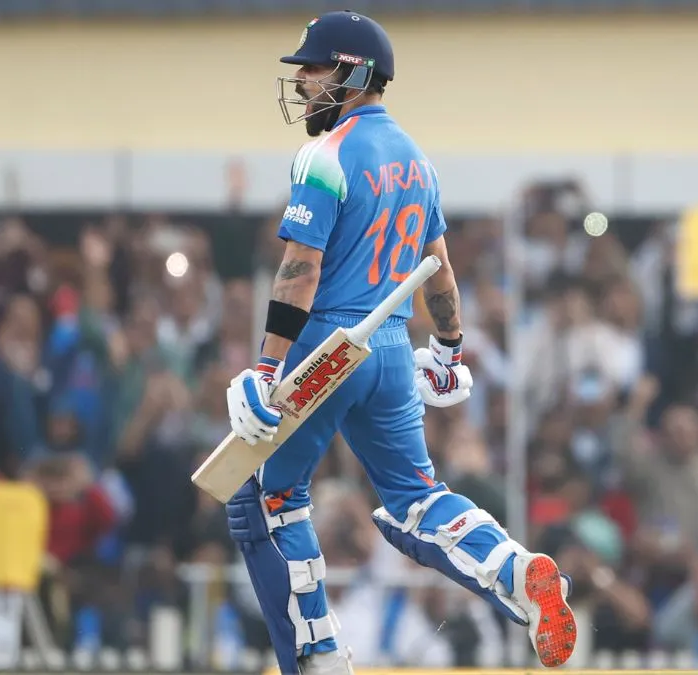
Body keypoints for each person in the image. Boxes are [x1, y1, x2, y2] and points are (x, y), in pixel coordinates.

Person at [221, 10, 575, 675]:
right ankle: (515, 568)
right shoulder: (418, 161)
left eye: (315, 69)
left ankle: (318, 657)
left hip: (326, 344)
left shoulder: (326, 154)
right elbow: (438, 269)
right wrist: (448, 349)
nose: (303, 84)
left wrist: (268, 366)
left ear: (354, 74)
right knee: (416, 497)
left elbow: (301, 268)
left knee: (266, 499)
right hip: (388, 345)